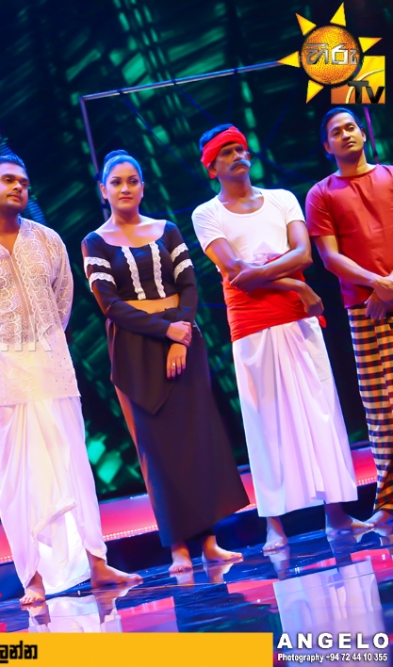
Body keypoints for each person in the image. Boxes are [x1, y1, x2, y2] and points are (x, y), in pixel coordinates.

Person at [0, 155, 141, 606]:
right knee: (16, 477)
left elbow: (62, 302)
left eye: (25, 182)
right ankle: (31, 577)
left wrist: (41, 345)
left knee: (74, 463)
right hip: (2, 376)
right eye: (9, 180)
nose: (19, 187)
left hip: (52, 366)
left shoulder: (49, 241)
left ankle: (97, 562)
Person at [191, 124, 366, 551]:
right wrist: (295, 284)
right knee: (264, 421)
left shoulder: (283, 199)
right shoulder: (207, 214)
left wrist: (268, 274)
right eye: (226, 152)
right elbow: (235, 273)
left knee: (320, 412)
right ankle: (274, 526)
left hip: (298, 319)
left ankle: (337, 515)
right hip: (252, 325)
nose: (237, 155)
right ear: (212, 168)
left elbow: (304, 255)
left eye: (240, 148)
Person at [82, 150, 250, 572]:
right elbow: (110, 304)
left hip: (184, 342)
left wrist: (181, 335)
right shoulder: (94, 242)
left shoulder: (167, 230)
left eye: (132, 181)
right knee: (157, 452)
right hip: (135, 351)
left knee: (197, 440)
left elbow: (189, 286)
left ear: (143, 187)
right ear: (103, 191)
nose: (125, 188)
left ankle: (209, 542)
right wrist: (166, 331)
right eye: (116, 182)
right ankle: (177, 548)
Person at [305, 107, 393, 526]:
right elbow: (330, 257)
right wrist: (379, 285)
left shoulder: (390, 176)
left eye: (351, 127)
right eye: (336, 132)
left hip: (382, 296)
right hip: (364, 310)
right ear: (327, 146)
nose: (345, 134)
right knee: (381, 408)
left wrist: (388, 287)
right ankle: (389, 502)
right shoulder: (321, 193)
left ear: (363, 132)